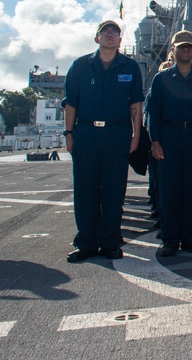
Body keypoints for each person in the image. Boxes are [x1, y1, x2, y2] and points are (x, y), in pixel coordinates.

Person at [62, 20, 144, 262]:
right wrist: (68, 134)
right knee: (85, 190)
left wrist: (136, 135)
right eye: (105, 32)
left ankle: (109, 242)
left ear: (120, 39)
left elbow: (135, 105)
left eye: (115, 32)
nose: (110, 35)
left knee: (114, 190)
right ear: (97, 38)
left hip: (117, 134)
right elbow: (70, 103)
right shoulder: (80, 66)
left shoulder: (130, 67)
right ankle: (85, 243)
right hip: (86, 133)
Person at [147, 30, 192, 256]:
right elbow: (153, 113)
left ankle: (190, 238)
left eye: (189, 46)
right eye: (181, 46)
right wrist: (155, 141)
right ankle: (170, 239)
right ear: (173, 50)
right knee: (169, 190)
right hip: (169, 138)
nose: (185, 50)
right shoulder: (161, 79)